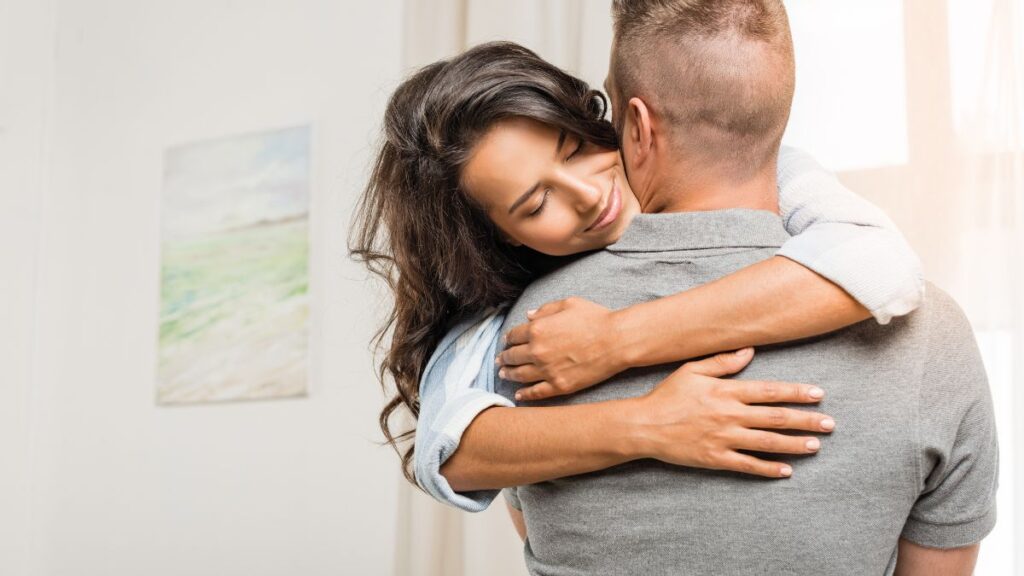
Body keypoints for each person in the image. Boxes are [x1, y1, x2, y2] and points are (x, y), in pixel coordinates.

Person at [403, 1, 994, 574]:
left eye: (578, 148)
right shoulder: (936, 335)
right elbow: (445, 452)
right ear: (495, 238)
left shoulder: (540, 337)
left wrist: (618, 339)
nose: (588, 194)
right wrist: (646, 423)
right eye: (535, 204)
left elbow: (883, 267)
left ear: (625, 123)